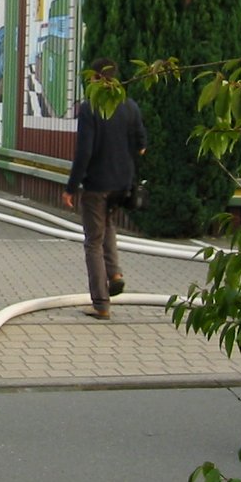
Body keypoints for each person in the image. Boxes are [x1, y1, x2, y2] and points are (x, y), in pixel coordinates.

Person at [62, 58, 147, 320]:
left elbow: (84, 151)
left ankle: (100, 303)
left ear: (97, 78)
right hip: (123, 184)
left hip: (97, 185)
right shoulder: (130, 106)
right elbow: (142, 145)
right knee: (107, 224)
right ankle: (115, 273)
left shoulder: (90, 108)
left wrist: (71, 187)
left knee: (93, 242)